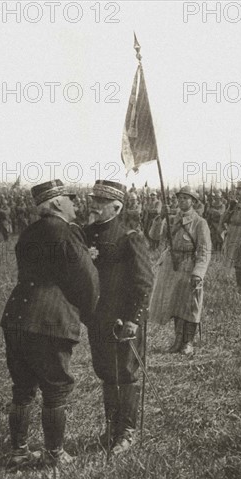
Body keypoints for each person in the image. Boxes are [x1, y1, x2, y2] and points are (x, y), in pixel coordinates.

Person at [0, 180, 100, 467]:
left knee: (22, 387)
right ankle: (54, 454)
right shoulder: (66, 233)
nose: (75, 204)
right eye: (70, 199)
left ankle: (18, 452)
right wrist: (88, 314)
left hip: (16, 316)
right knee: (55, 388)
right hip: (49, 321)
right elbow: (88, 280)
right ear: (56, 203)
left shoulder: (29, 232)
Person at [84, 180, 153, 455]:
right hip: (97, 318)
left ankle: (127, 432)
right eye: (93, 200)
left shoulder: (129, 236)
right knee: (105, 372)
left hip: (123, 320)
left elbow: (144, 282)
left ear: (117, 206)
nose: (94, 206)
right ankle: (111, 429)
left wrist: (134, 319)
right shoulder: (86, 234)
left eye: (101, 202)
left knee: (125, 373)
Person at [149, 186, 211, 357]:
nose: (182, 201)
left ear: (193, 201)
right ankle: (177, 340)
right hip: (171, 266)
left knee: (190, 304)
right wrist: (159, 218)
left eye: (186, 198)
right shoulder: (171, 220)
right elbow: (154, 236)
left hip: (189, 265)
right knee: (175, 303)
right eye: (180, 198)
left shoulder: (200, 223)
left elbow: (205, 250)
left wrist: (198, 273)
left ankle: (188, 342)